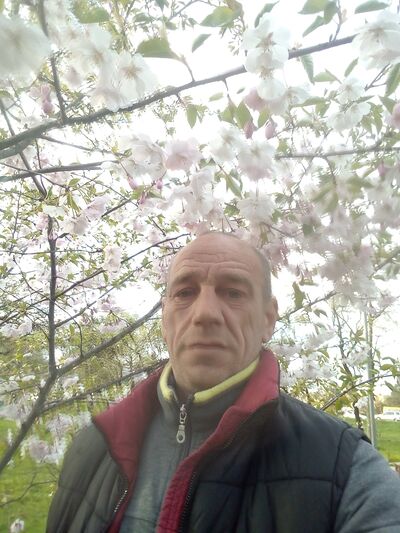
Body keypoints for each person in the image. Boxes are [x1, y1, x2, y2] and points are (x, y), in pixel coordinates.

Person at [47, 232, 400, 533]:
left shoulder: (345, 468)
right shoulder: (92, 447)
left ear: (268, 319)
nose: (205, 314)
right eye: (185, 292)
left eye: (233, 293)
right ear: (165, 318)